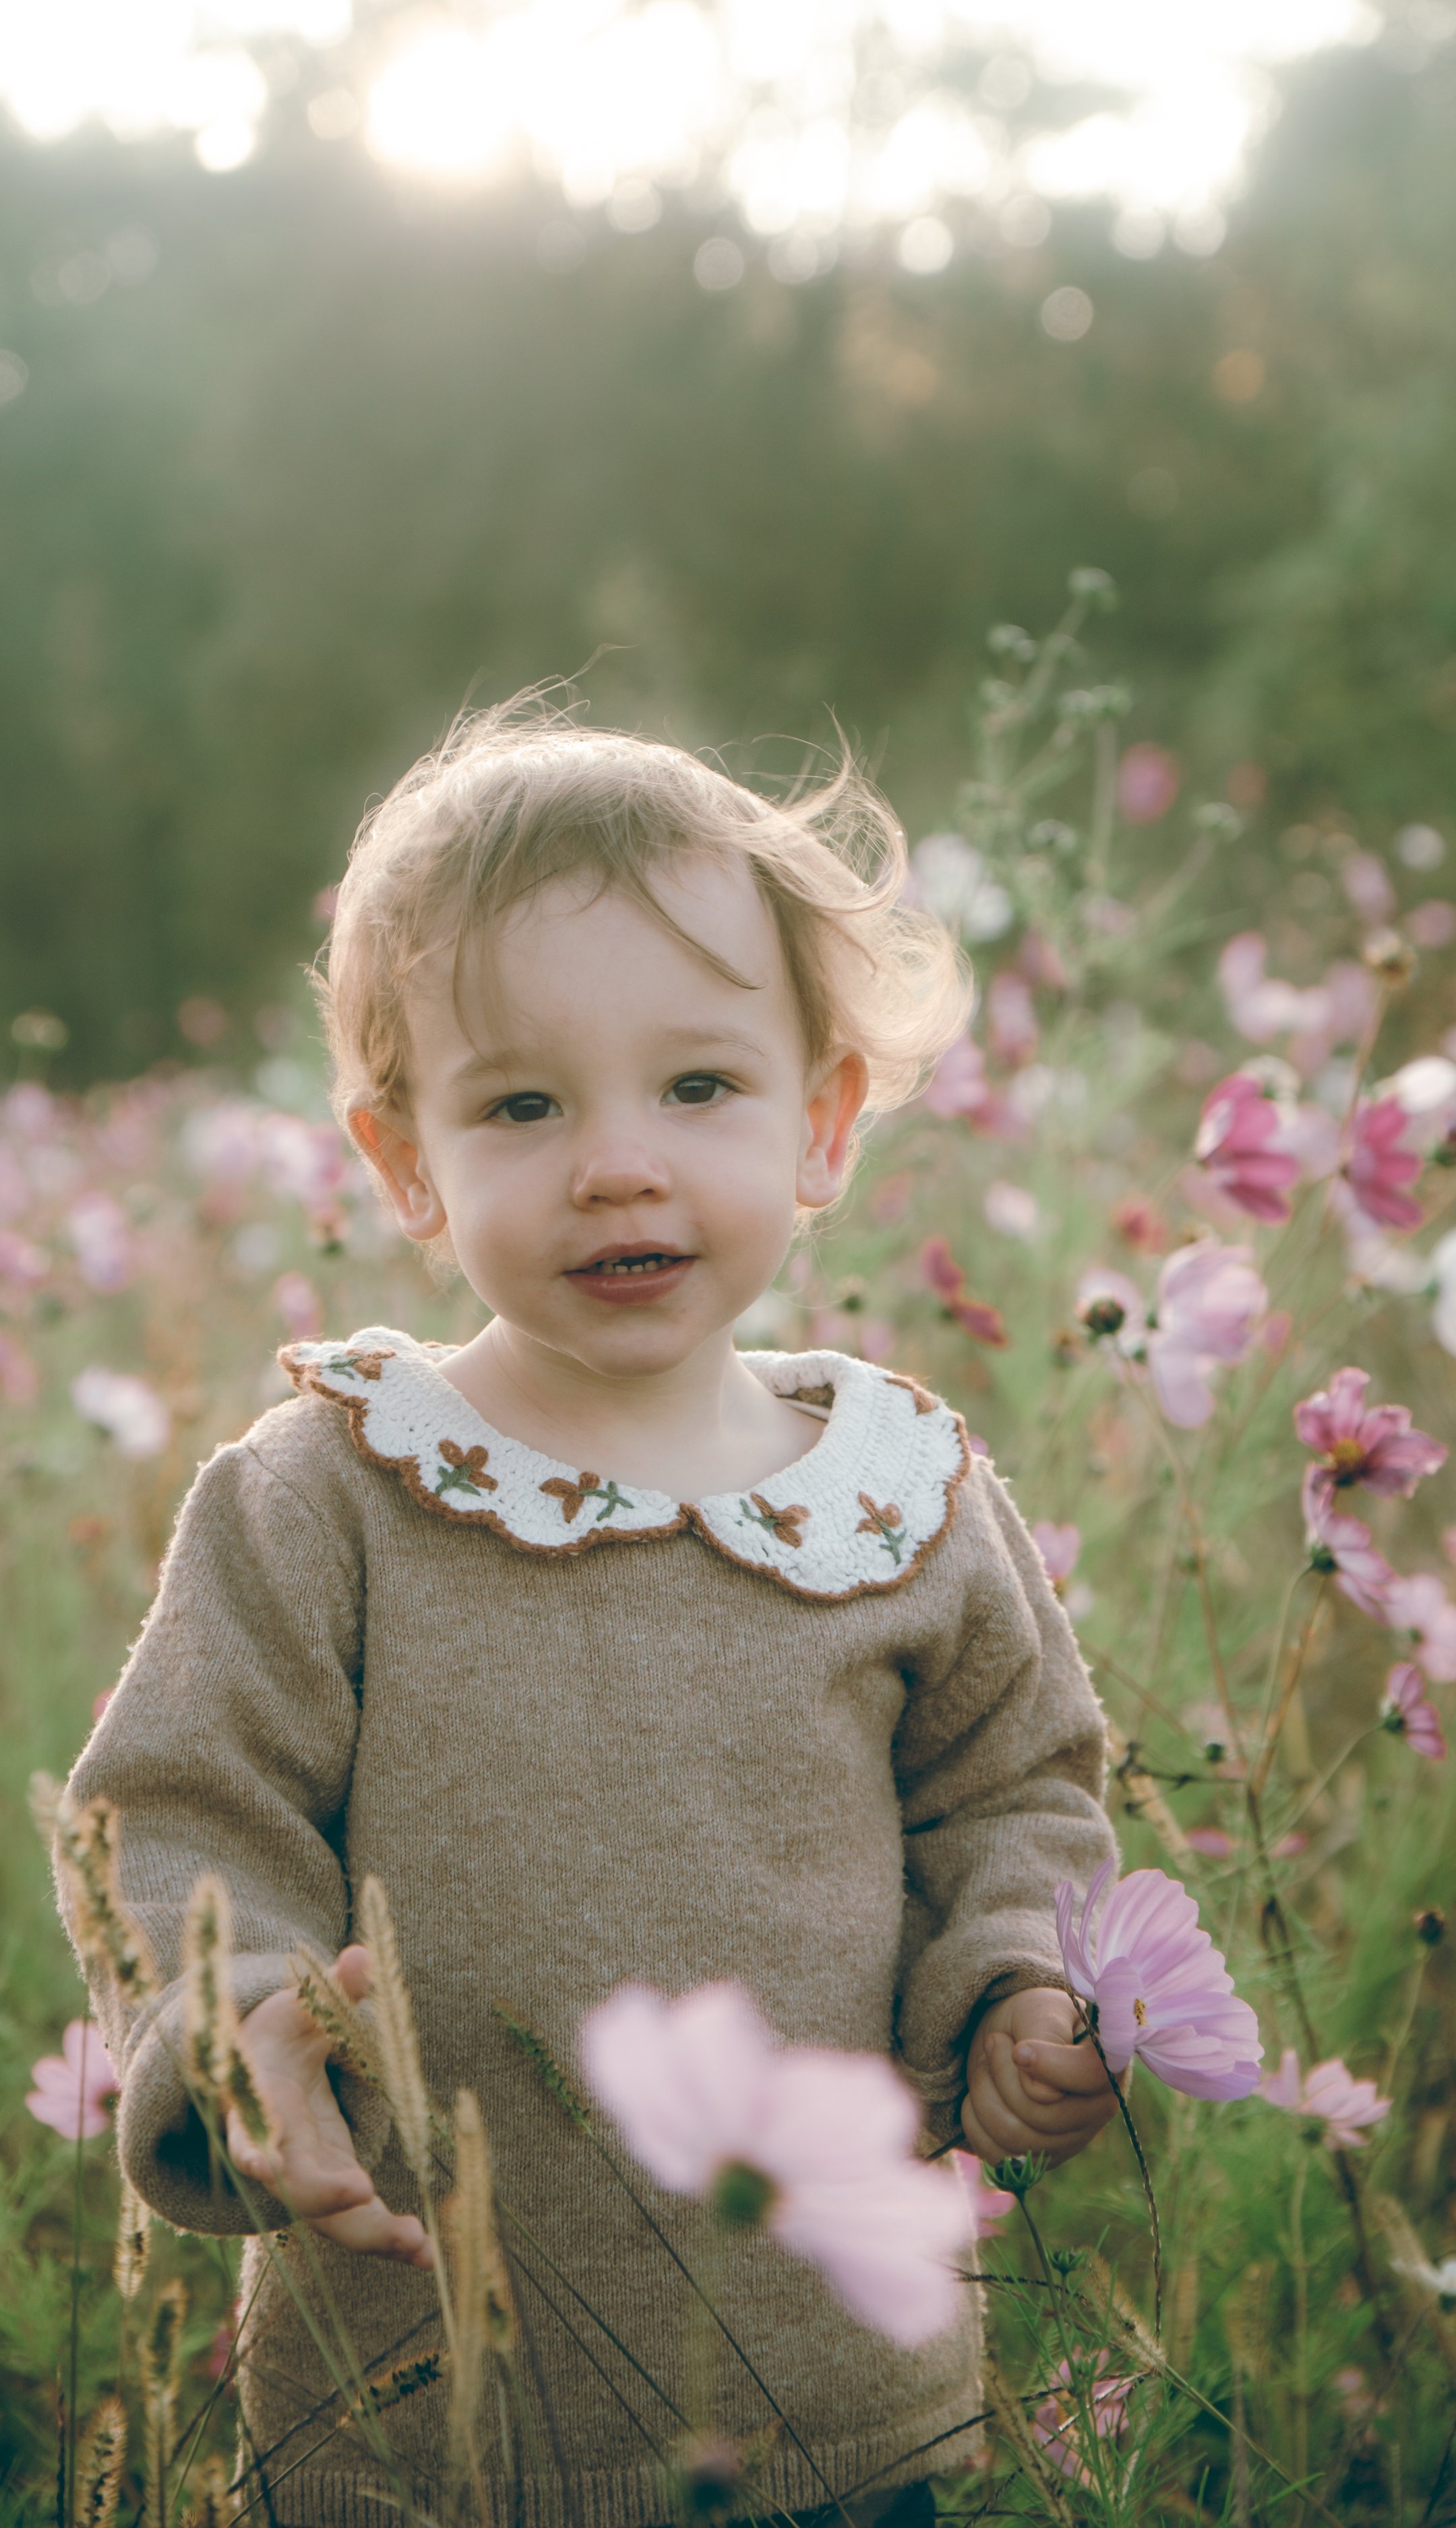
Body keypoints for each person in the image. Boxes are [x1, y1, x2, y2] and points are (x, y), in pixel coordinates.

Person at [59, 702, 1119, 2527]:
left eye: (697, 1087)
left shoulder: (900, 1494)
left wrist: (1017, 1986)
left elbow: (1014, 1794)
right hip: (426, 2395)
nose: (616, 1162)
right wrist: (234, 2020)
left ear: (822, 1122)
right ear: (405, 1161)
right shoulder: (330, 1492)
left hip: (833, 2399)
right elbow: (178, 1817)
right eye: (522, 1105)